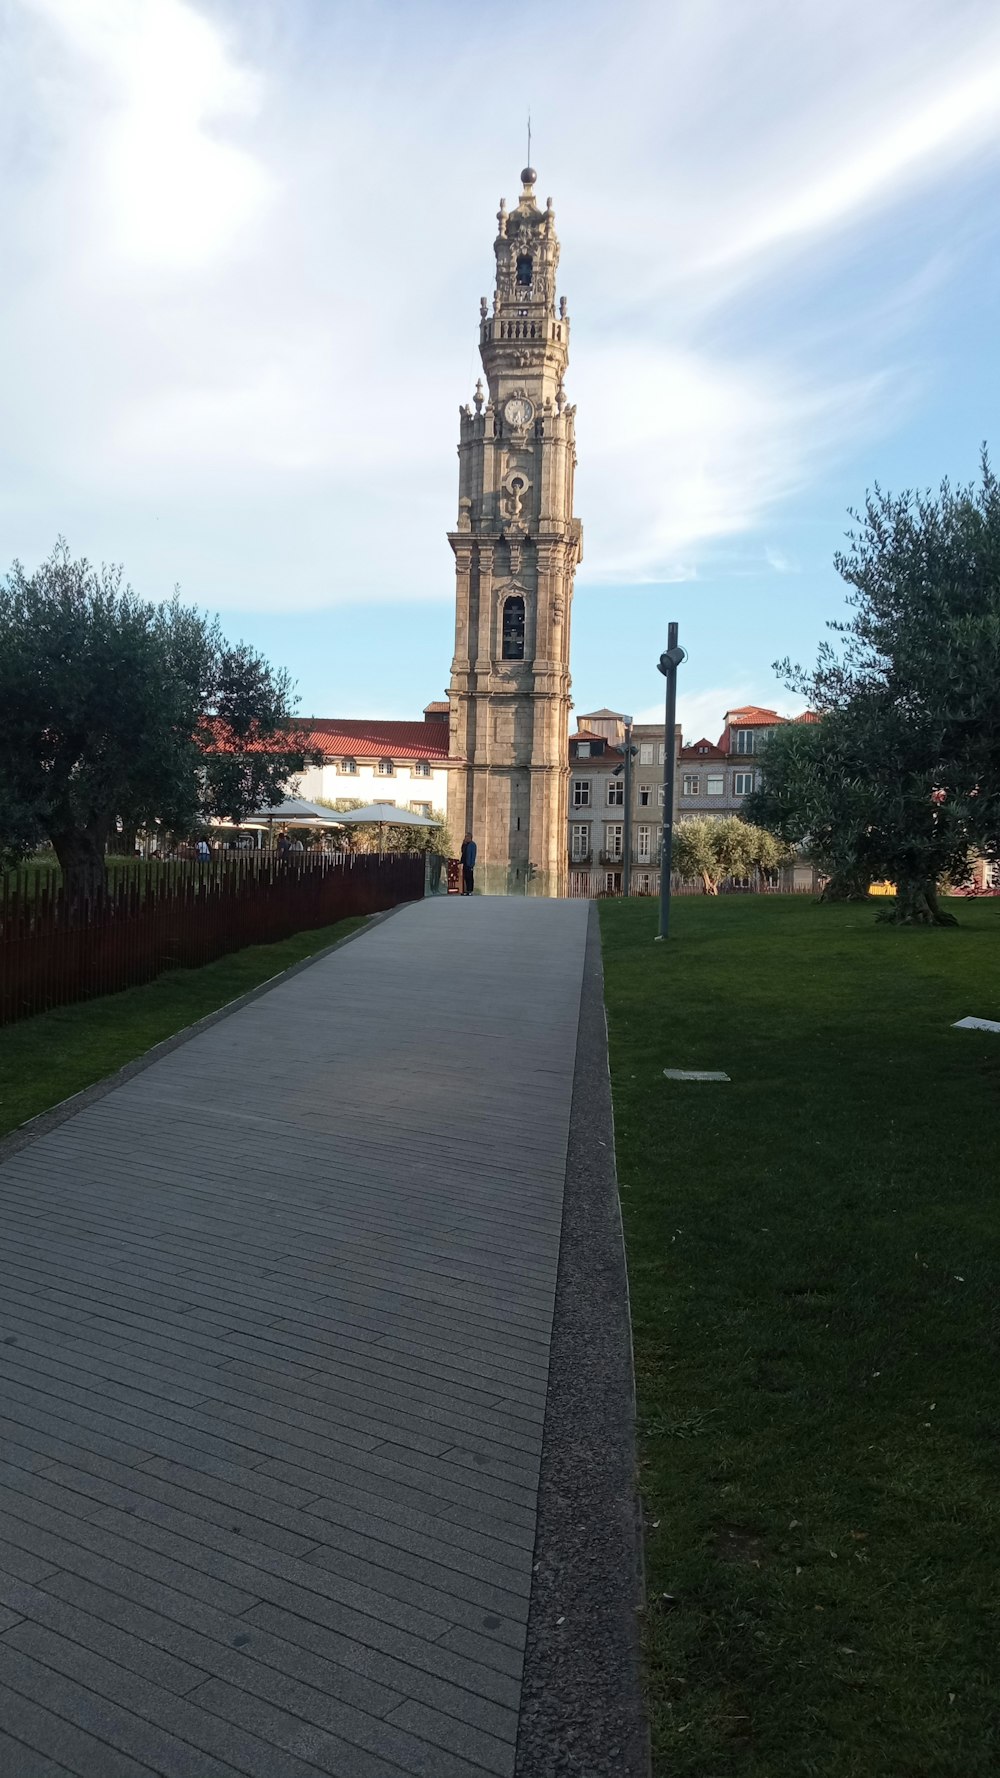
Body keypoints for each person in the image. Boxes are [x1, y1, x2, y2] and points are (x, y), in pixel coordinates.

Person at [460, 832, 477, 896]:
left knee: (470, 877)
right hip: (465, 863)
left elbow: (473, 855)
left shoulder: (473, 844)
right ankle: (465, 890)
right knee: (465, 877)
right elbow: (462, 852)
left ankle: (470, 890)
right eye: (465, 837)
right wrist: (463, 844)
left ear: (470, 837)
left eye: (466, 837)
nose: (465, 838)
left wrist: (472, 864)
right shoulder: (465, 844)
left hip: (469, 863)